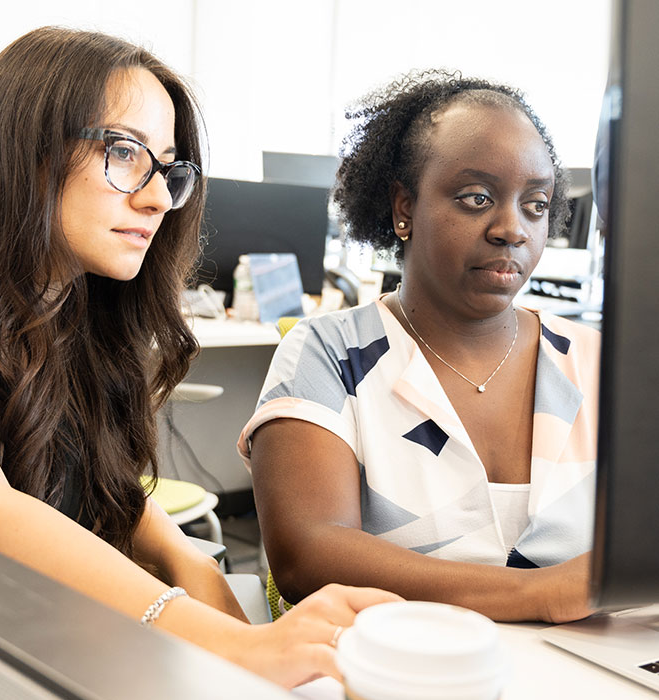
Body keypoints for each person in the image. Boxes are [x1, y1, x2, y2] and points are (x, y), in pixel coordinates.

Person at [0, 27, 399, 690]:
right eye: (124, 152)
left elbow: (92, 479)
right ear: (24, 147)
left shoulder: (74, 322)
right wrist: (220, 637)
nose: (160, 197)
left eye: (167, 168)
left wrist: (182, 555)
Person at [240, 70, 600, 624]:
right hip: (401, 668)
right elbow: (307, 554)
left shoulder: (596, 362)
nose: (513, 228)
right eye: (477, 198)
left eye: (536, 204)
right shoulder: (329, 352)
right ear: (404, 207)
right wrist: (544, 592)